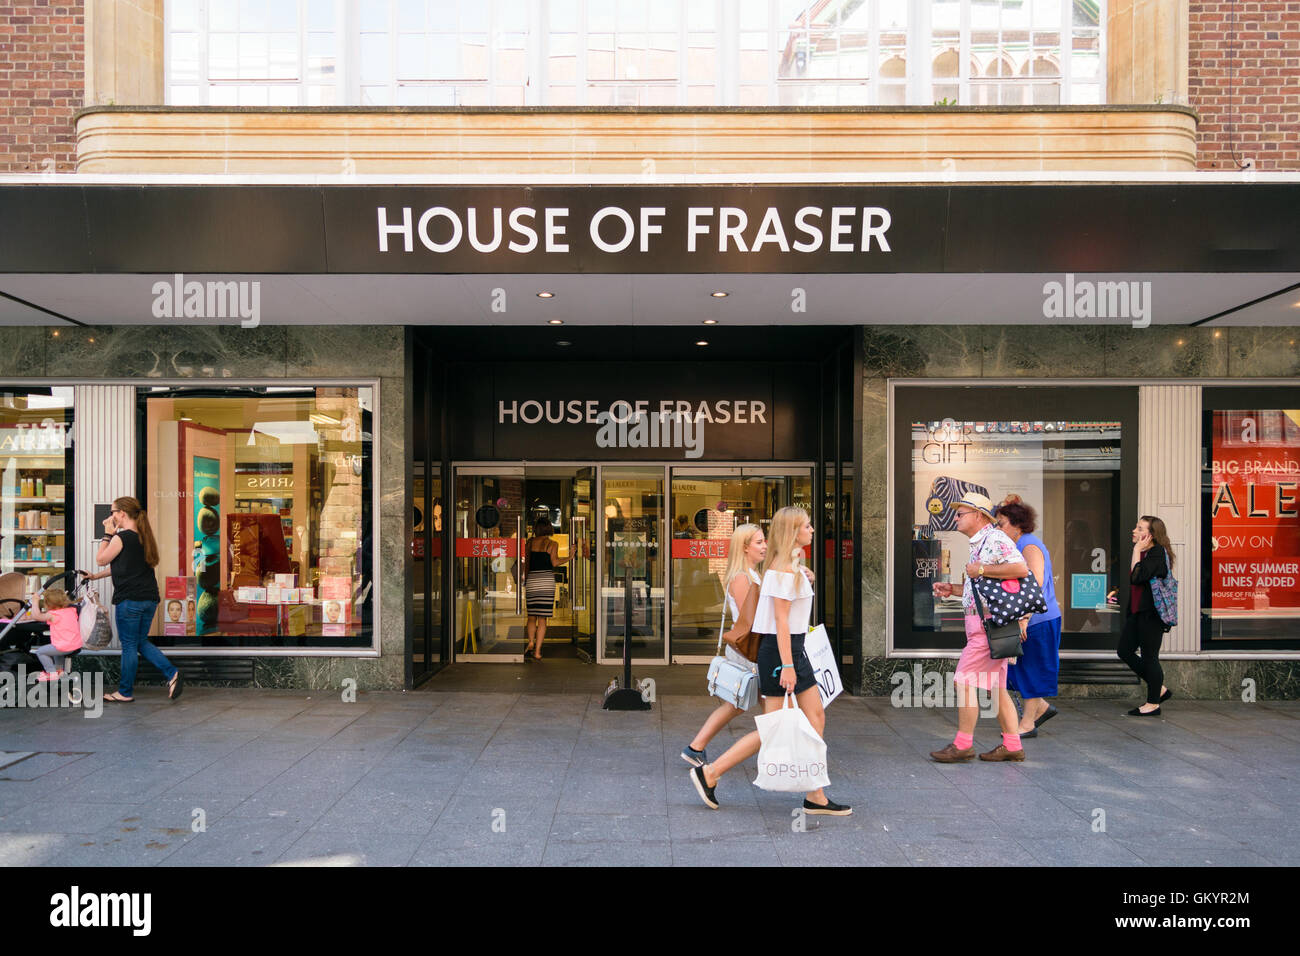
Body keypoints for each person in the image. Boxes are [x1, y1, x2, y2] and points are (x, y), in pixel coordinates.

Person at [689, 506, 851, 816]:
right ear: (793, 531)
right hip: (782, 652)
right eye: (807, 526)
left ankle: (815, 793)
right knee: (774, 728)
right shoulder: (781, 570)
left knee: (815, 717)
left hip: (792, 649)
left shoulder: (789, 565)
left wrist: (808, 576)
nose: (812, 530)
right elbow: (780, 620)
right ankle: (710, 772)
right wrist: (788, 666)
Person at [929, 492, 1030, 763]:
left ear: (978, 515)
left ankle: (963, 744)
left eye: (961, 513)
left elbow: (1021, 568)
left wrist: (982, 570)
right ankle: (1012, 745)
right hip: (986, 623)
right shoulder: (981, 542)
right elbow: (983, 587)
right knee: (996, 688)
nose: (956, 517)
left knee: (964, 679)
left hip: (988, 626)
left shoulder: (995, 538)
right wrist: (953, 589)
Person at [80, 496, 182, 702]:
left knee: (128, 645)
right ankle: (172, 673)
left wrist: (108, 534)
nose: (110, 516)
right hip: (149, 598)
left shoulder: (121, 537)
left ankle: (125, 692)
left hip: (130, 600)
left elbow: (101, 559)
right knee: (139, 642)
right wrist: (95, 577)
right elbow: (122, 565)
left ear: (122, 514)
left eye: (112, 512)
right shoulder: (143, 536)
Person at [681, 523, 766, 768]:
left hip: (751, 651)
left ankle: (695, 747)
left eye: (764, 541)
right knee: (764, 706)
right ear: (745, 547)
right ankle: (782, 754)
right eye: (759, 542)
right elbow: (749, 619)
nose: (765, 546)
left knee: (737, 705)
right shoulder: (741, 577)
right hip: (749, 652)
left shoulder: (751, 574)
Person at [994, 495, 1062, 738]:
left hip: (1038, 620)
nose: (998, 528)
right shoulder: (1018, 545)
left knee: (1031, 668)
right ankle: (1041, 709)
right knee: (1020, 669)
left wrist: (1024, 618)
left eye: (1001, 523)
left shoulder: (1029, 545)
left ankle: (1028, 724)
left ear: (1017, 524)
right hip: (1029, 618)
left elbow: (1036, 584)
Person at [1116, 515, 1174, 716]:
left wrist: (1136, 551)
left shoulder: (1157, 553)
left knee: (1150, 657)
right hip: (1137, 613)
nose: (1134, 531)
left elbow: (1136, 577)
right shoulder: (1145, 553)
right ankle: (1160, 689)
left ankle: (1153, 703)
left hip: (1151, 615)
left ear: (1150, 535)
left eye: (1139, 528)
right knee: (1124, 650)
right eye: (1136, 526)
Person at [522, 518, 559, 661]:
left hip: (532, 580)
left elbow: (526, 565)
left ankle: (530, 641)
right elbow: (555, 562)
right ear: (549, 528)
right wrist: (569, 557)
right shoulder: (551, 544)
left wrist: (526, 580)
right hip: (546, 582)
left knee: (531, 616)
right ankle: (537, 651)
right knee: (542, 618)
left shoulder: (529, 543)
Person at [26, 588, 81, 682]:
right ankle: (59, 671)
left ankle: (51, 673)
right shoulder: (71, 610)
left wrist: (35, 602)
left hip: (64, 646)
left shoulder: (53, 614)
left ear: (47, 604)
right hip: (75, 645)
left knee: (40, 652)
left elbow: (36, 616)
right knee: (56, 653)